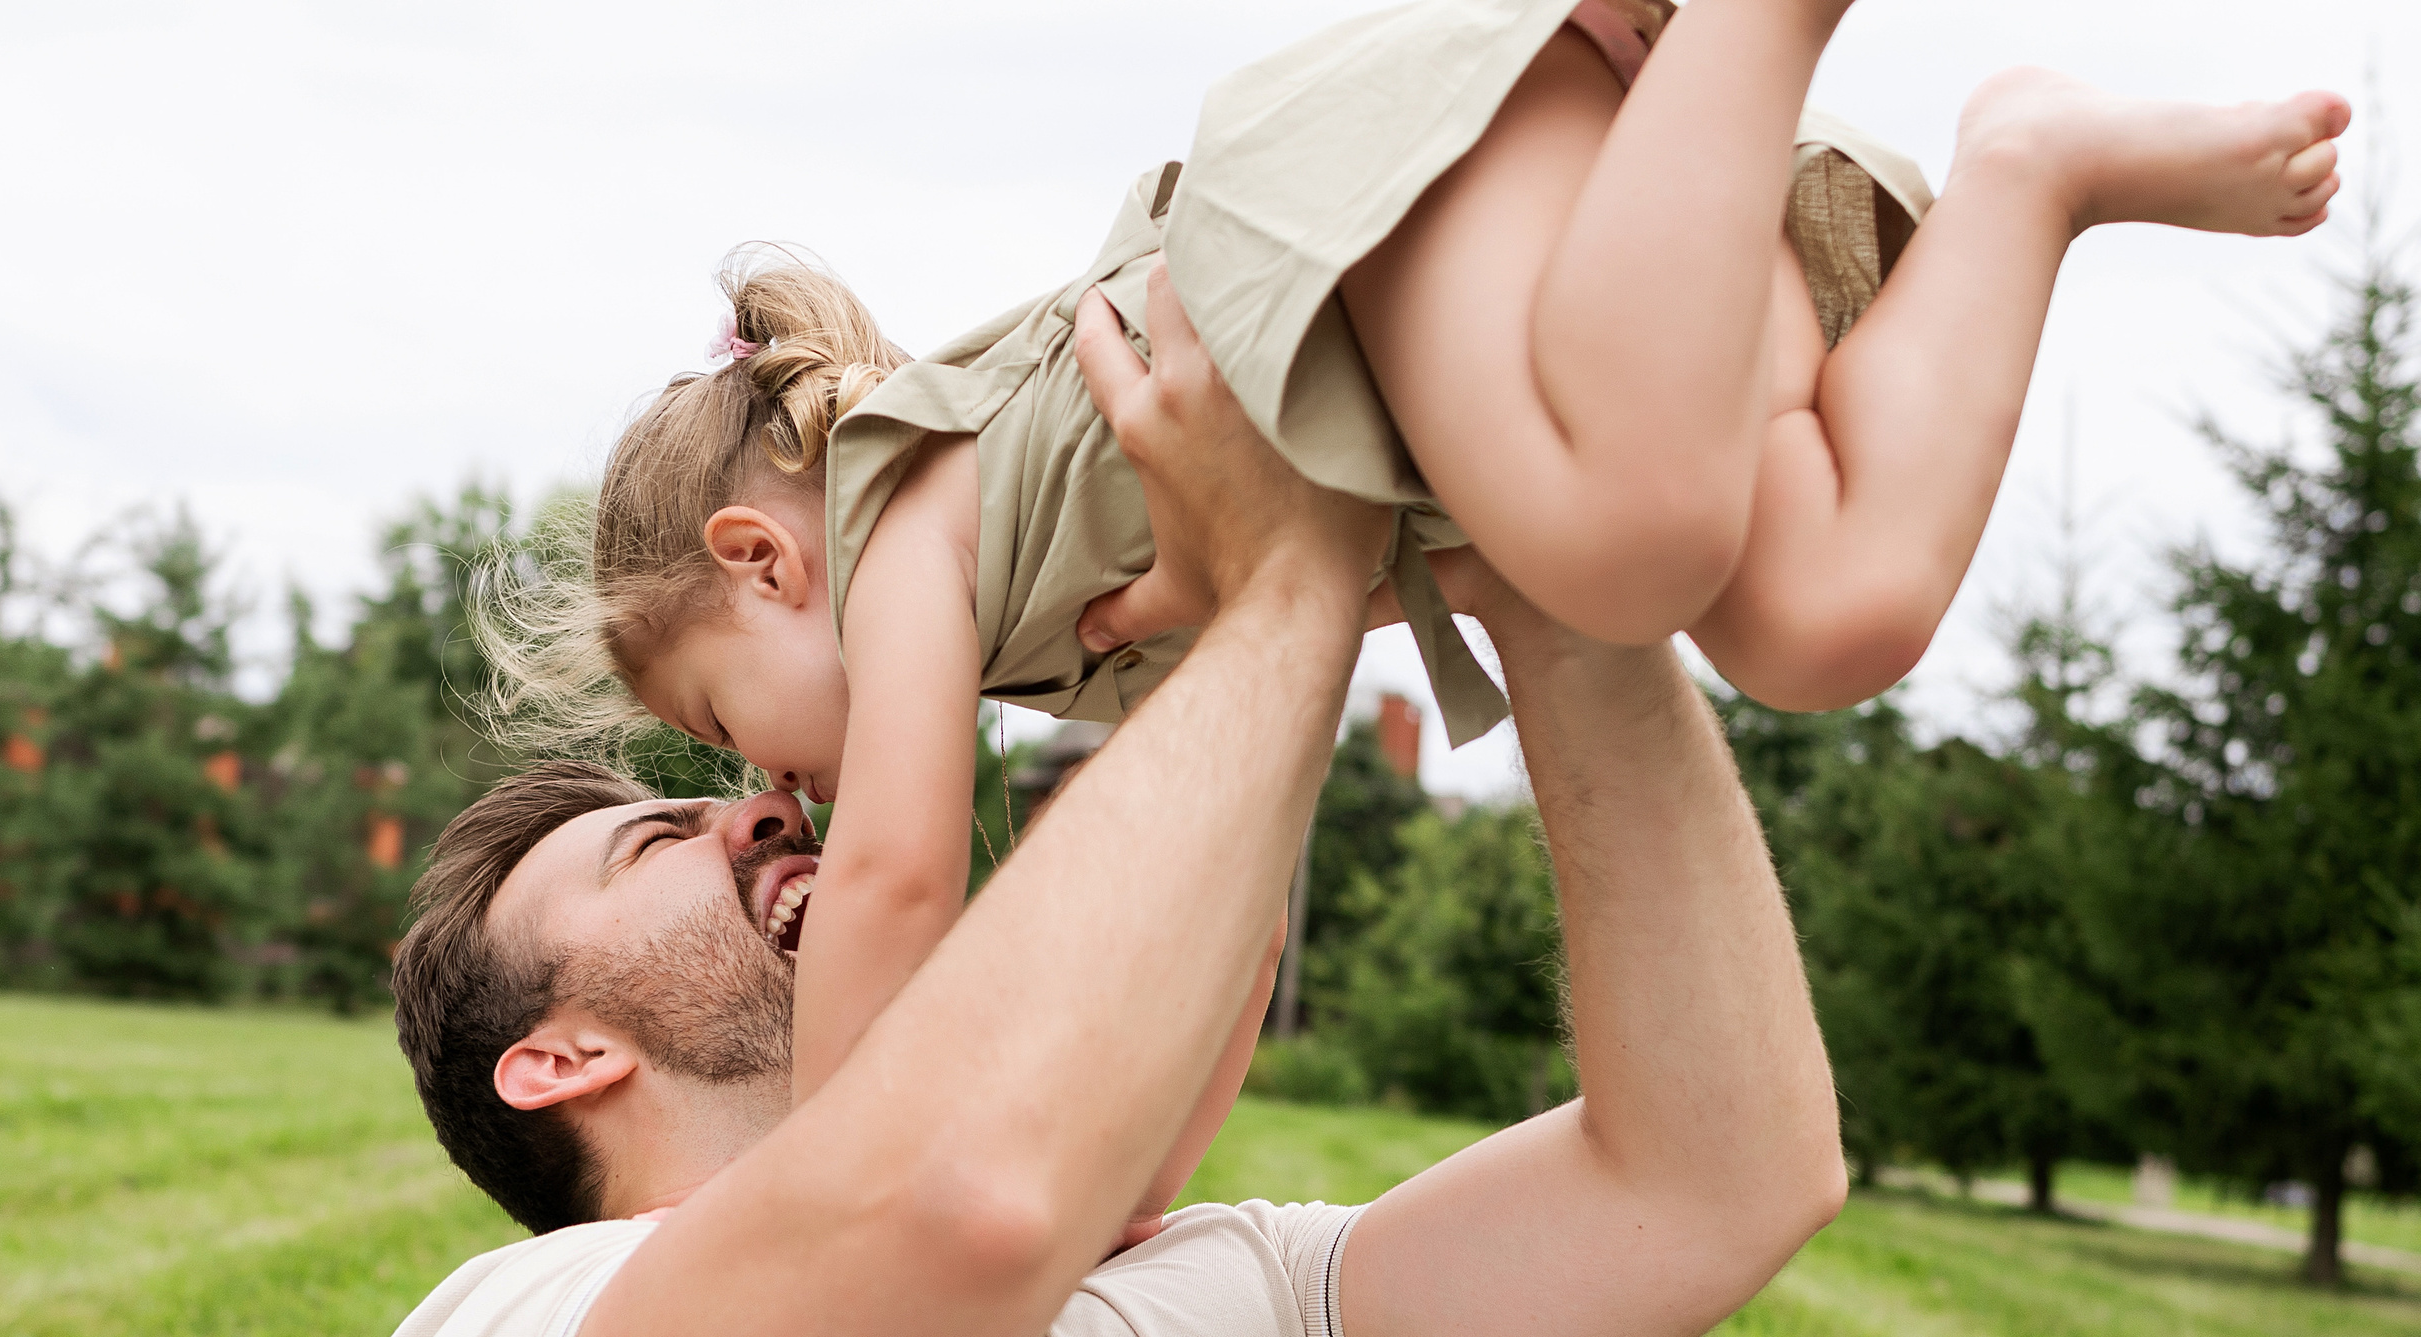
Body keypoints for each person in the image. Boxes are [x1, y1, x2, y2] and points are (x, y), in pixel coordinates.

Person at [353, 268, 1845, 1337]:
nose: (762, 803)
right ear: (554, 1060)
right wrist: (1284, 587)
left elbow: (1718, 1179)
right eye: (652, 843)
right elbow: (946, 1208)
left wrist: (1557, 562)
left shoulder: (1198, 1317)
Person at [478, 0, 2347, 1108]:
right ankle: (2031, 174)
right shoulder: (1059, 638)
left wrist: (844, 1147)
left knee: (1625, 548)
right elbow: (1220, 919)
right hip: (1610, 296)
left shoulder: (901, 513)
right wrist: (1113, 1191)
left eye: (729, 719)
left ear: (764, 557)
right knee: (1825, 619)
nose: (766, 786)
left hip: (1381, 215)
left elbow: (896, 880)